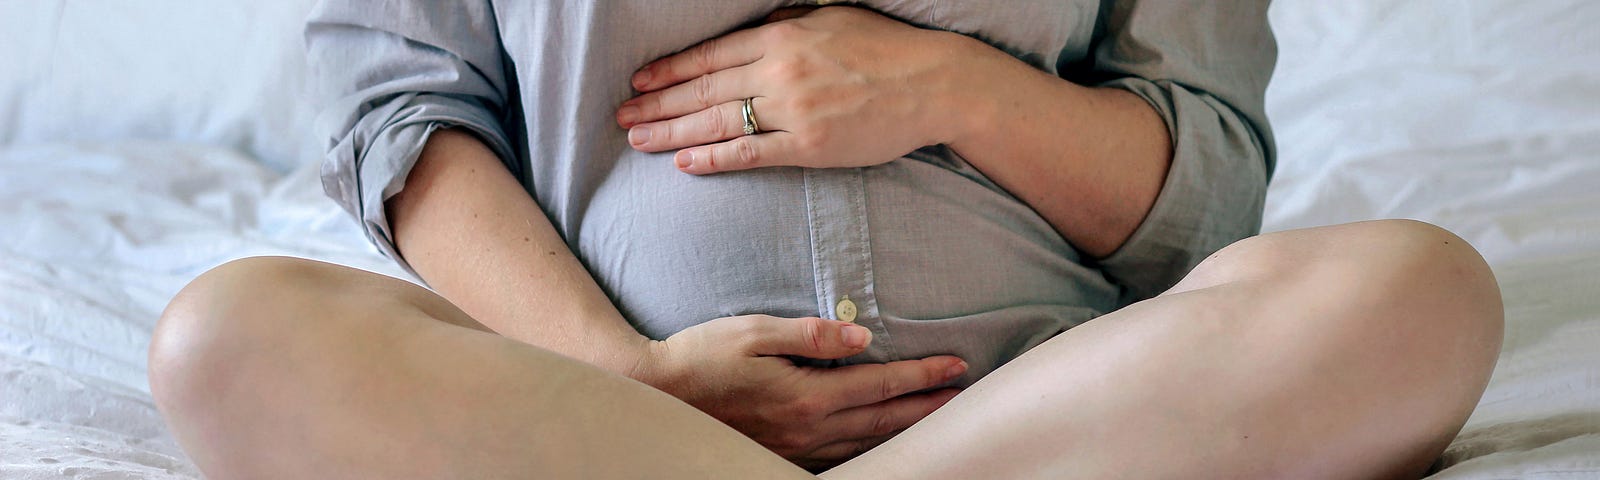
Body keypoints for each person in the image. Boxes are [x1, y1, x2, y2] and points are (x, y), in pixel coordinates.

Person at [148, 1, 1504, 478]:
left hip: (1055, 404)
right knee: (228, 339)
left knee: (1418, 291)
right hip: (600, 411)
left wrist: (947, 88)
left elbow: (1201, 191)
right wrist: (626, 376)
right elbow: (400, 109)